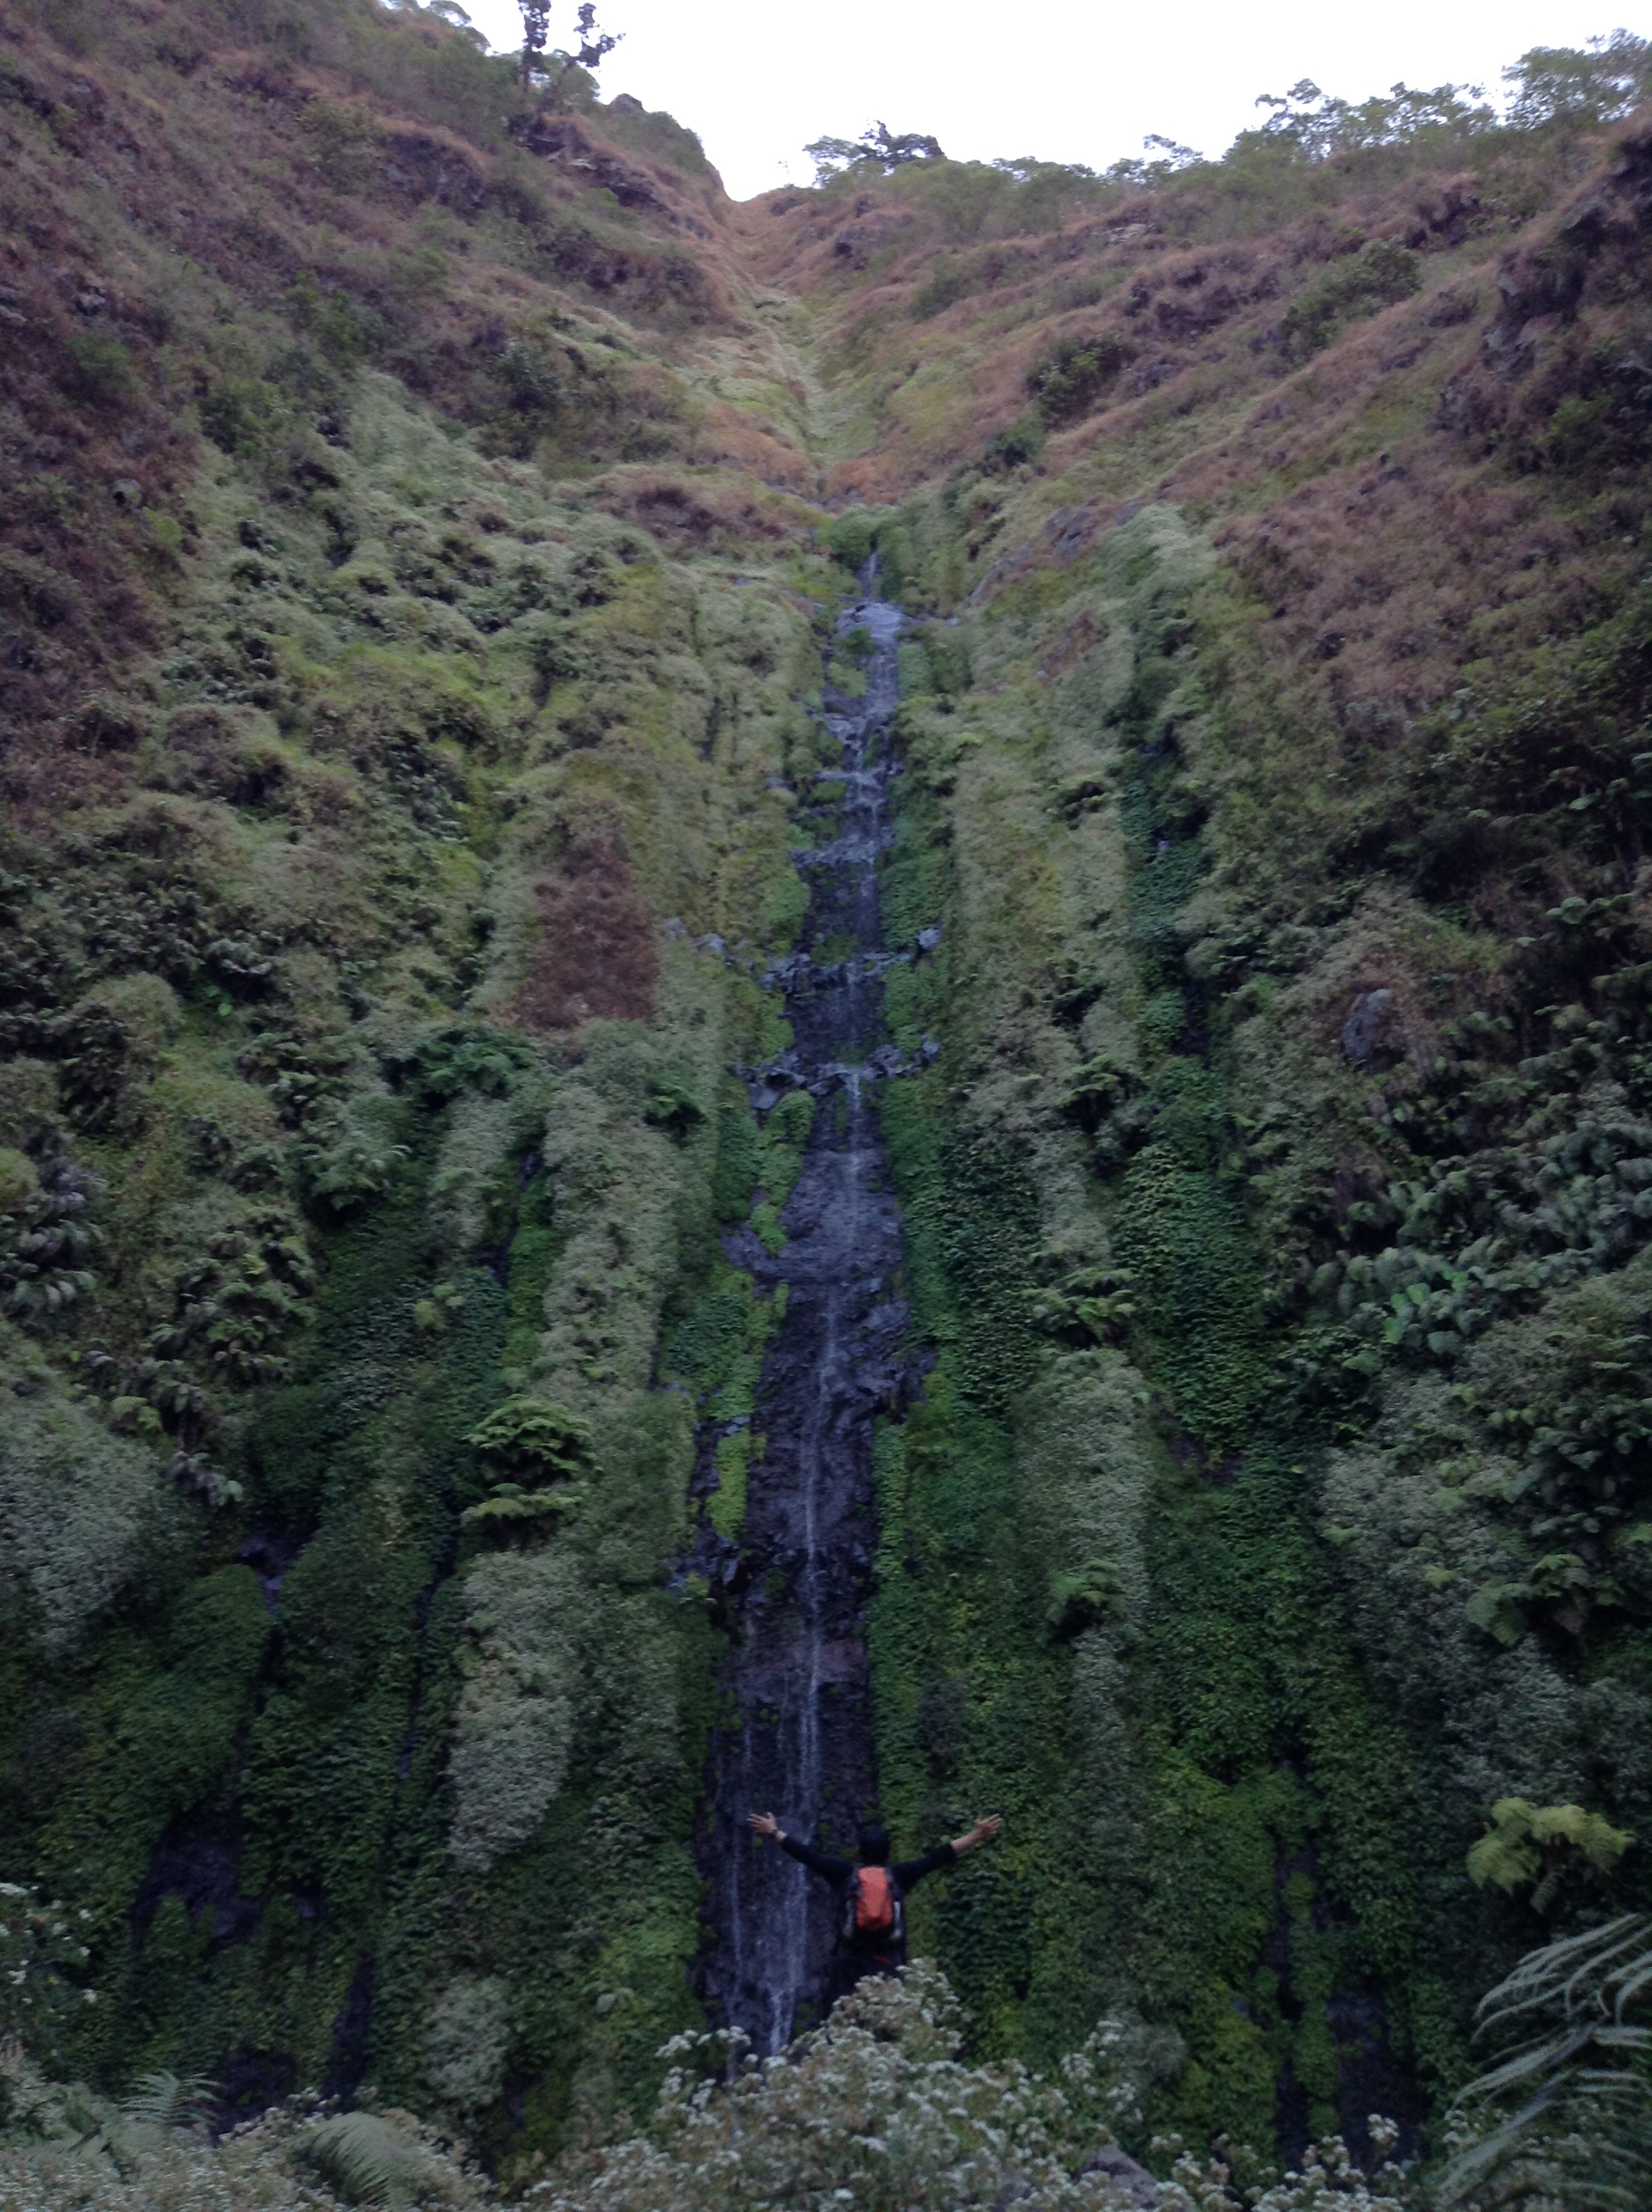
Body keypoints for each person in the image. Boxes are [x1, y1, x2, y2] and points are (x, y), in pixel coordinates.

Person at [747, 1808, 1003, 1999]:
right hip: (888, 1963)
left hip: (848, 1965)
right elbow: (939, 1857)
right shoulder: (901, 1876)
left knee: (840, 2025)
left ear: (859, 1851)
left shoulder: (843, 1874)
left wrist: (774, 1832)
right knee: (887, 2028)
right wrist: (976, 1835)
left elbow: (808, 1856)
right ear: (889, 1853)